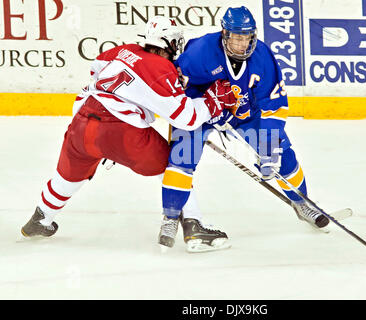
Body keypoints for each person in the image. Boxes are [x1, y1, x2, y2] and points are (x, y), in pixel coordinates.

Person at [21, 16, 236, 238]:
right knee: (173, 167)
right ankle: (193, 224)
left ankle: (41, 218)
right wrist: (213, 102)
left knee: (68, 176)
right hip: (121, 132)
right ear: (170, 43)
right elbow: (186, 118)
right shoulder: (161, 67)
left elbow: (95, 70)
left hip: (83, 122)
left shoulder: (122, 50)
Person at [158, 6, 330, 252]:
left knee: (283, 152)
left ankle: (301, 203)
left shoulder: (262, 56)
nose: (242, 44)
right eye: (237, 37)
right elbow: (177, 91)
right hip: (202, 111)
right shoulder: (200, 52)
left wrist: (269, 146)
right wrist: (205, 110)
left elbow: (273, 105)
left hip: (244, 113)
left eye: (247, 37)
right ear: (225, 34)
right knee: (181, 156)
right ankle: (171, 217)